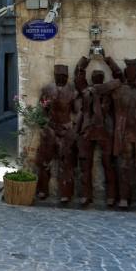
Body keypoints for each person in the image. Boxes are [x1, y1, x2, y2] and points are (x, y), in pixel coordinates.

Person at [97, 56, 136, 211]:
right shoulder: (119, 89)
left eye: (134, 71)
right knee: (124, 166)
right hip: (124, 134)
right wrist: (118, 81)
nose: (131, 74)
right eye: (128, 71)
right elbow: (99, 90)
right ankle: (124, 197)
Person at [75, 58, 116, 208]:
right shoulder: (86, 91)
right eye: (94, 78)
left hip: (104, 130)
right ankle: (86, 195)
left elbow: (120, 78)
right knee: (86, 164)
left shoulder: (108, 91)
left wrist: (108, 60)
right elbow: (78, 76)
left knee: (108, 164)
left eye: (99, 78)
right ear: (91, 80)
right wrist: (87, 58)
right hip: (88, 129)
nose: (97, 80)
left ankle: (111, 196)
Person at [36, 64, 80, 204]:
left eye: (63, 76)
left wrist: (72, 129)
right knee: (44, 162)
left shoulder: (72, 91)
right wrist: (45, 126)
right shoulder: (47, 90)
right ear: (54, 76)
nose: (61, 78)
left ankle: (66, 193)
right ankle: (42, 189)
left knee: (67, 163)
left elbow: (76, 111)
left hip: (66, 129)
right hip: (51, 128)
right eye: (58, 76)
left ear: (67, 77)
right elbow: (42, 111)